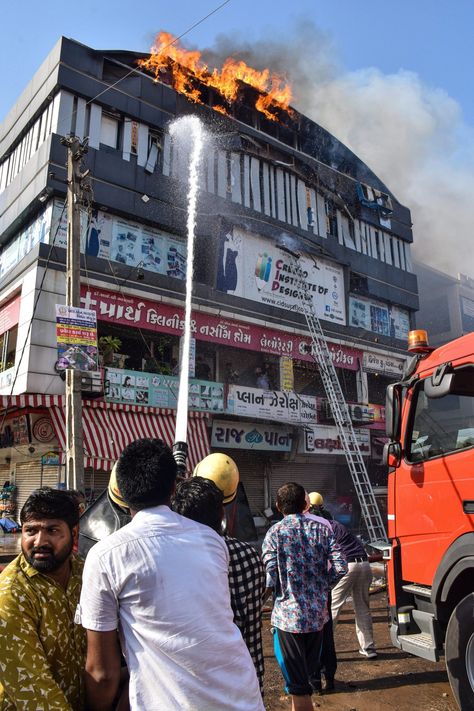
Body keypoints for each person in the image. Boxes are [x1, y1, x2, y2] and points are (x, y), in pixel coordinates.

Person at [78, 438, 264, 711]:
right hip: (243, 697)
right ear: (174, 488)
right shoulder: (212, 541)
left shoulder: (105, 556)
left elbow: (102, 673)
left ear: (121, 492)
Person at [171, 476, 265, 694]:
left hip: (187, 687)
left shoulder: (169, 558)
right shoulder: (248, 555)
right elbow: (252, 629)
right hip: (240, 680)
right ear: (222, 513)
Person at [262, 482, 347, 711]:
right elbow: (340, 566)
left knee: (299, 687)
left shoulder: (275, 533)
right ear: (304, 504)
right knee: (303, 681)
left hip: (288, 620)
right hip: (317, 617)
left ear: (279, 506)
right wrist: (322, 588)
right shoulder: (322, 530)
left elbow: (270, 576)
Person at [0, 487, 86, 709]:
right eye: (31, 531)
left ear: (74, 534)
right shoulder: (11, 593)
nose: (39, 542)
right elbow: (34, 692)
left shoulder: (85, 572)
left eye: (52, 530)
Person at [328, 518, 378, 659]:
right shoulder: (336, 524)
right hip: (364, 564)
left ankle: (323, 647)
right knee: (362, 608)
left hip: (348, 565)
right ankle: (369, 648)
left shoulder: (322, 526)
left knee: (333, 606)